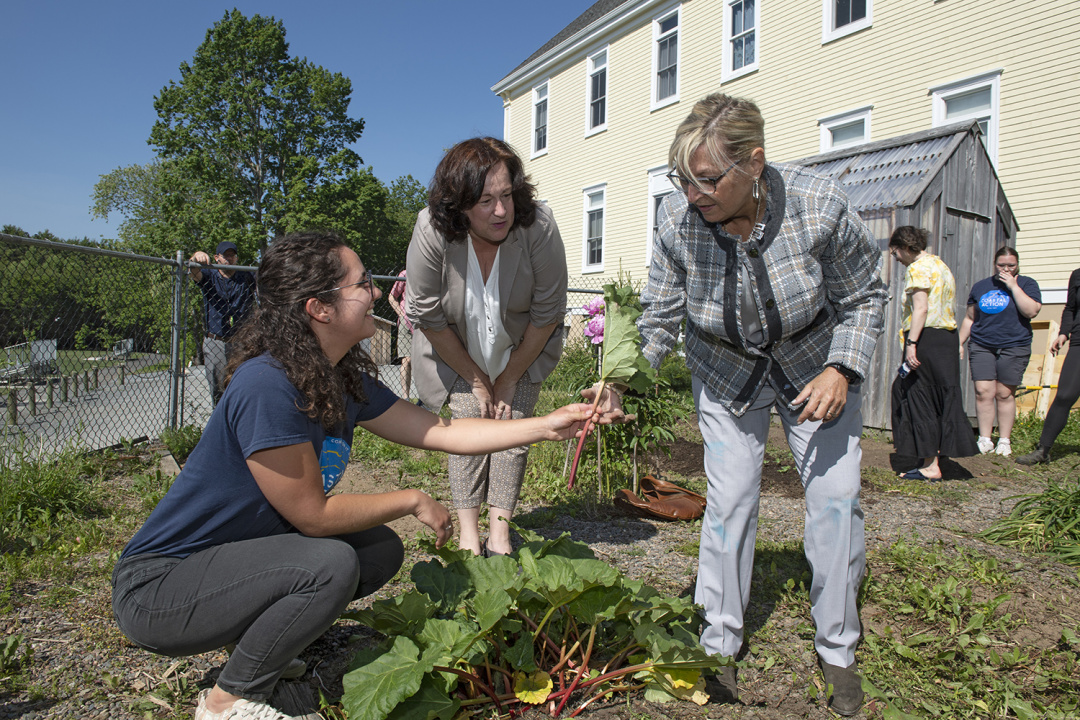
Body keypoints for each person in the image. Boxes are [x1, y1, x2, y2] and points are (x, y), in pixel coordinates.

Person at [112, 231, 606, 720]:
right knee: (330, 562)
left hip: (227, 566)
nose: (375, 291)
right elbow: (313, 515)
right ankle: (227, 702)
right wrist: (413, 498)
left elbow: (444, 431)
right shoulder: (267, 385)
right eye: (362, 282)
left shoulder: (337, 377)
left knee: (377, 550)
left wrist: (544, 425)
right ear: (319, 308)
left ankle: (254, 641)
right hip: (160, 591)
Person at [589, 93, 886, 716]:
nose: (693, 193)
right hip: (724, 368)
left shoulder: (819, 205)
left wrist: (842, 367)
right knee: (729, 499)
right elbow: (662, 315)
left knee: (834, 501)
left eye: (707, 178)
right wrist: (621, 378)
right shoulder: (677, 220)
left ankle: (838, 647)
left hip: (815, 367)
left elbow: (866, 296)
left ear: (754, 163)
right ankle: (717, 641)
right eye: (682, 178)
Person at [405, 137, 568, 558]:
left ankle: (500, 533)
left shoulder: (538, 226)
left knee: (512, 430)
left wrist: (511, 376)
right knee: (468, 428)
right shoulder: (432, 229)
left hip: (522, 345)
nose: (500, 211)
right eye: (484, 201)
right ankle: (468, 534)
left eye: (506, 196)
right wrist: (477, 380)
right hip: (454, 345)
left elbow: (548, 310)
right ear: (458, 205)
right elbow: (425, 311)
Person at [889, 226, 979, 479]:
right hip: (946, 339)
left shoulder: (917, 268)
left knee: (919, 395)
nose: (895, 257)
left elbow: (921, 309)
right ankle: (937, 455)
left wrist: (912, 343)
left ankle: (930, 466)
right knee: (935, 395)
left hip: (926, 337)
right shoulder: (940, 265)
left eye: (895, 251)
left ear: (907, 247)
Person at [958, 247, 1042, 456]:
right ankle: (985, 439)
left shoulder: (1027, 284)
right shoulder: (982, 286)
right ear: (995, 264)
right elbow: (970, 318)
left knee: (1004, 393)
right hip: (982, 344)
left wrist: (1013, 286)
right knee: (983, 391)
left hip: (1014, 345)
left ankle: (1004, 440)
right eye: (1001, 265)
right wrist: (959, 342)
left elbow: (1031, 311)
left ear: (1018, 265)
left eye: (1011, 265)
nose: (1006, 269)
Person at [1017, 265, 1080, 465]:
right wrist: (1064, 333)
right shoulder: (1077, 275)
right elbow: (1071, 308)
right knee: (1064, 395)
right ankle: (1043, 451)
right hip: (1079, 341)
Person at [189, 241, 255, 405]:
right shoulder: (210, 275)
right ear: (217, 258)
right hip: (216, 341)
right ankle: (221, 425)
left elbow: (269, 279)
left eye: (232, 255)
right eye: (225, 255)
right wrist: (196, 257)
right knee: (219, 392)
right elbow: (193, 271)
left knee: (244, 389)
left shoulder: (245, 276)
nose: (229, 259)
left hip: (241, 342)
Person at [386, 269, 414, 400]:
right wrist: (402, 315)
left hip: (424, 323)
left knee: (424, 362)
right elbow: (391, 296)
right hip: (406, 324)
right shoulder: (405, 274)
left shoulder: (428, 270)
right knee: (406, 360)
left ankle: (426, 399)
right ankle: (406, 397)